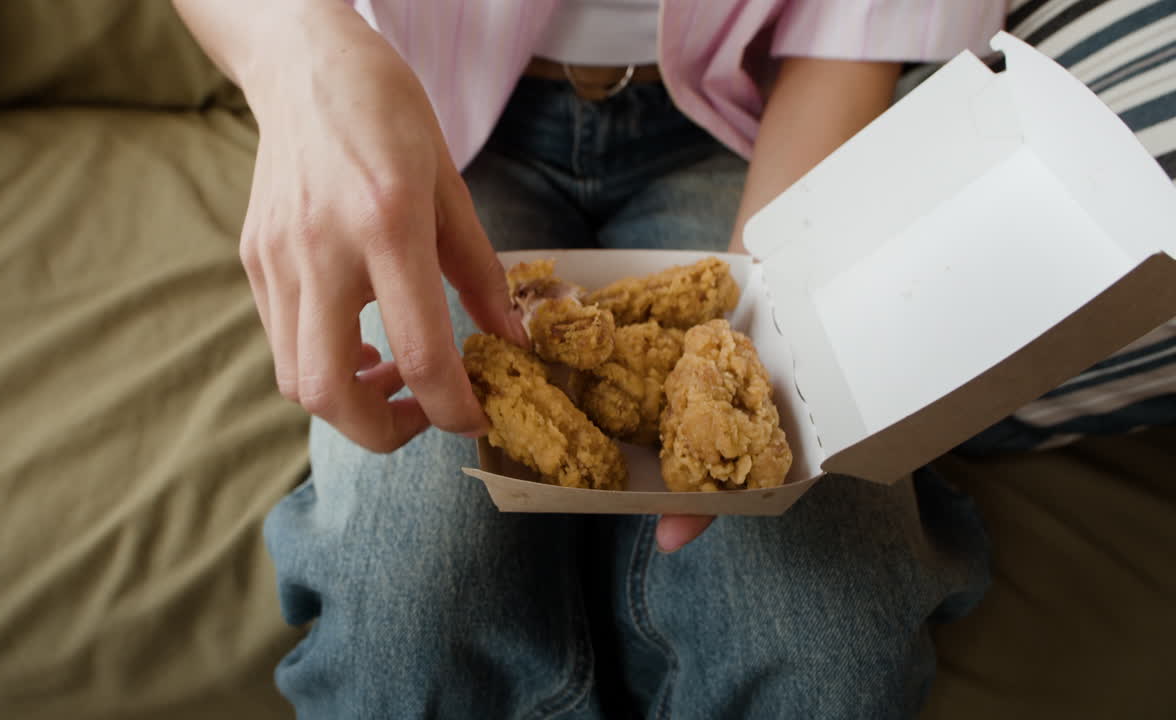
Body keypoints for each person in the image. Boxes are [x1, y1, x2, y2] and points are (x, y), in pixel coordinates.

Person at [173, 1, 1006, 716]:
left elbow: (859, 25)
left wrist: (771, 292)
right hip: (417, 120)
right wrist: (302, 60)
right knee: (406, 612)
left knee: (825, 642)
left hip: (746, 129)